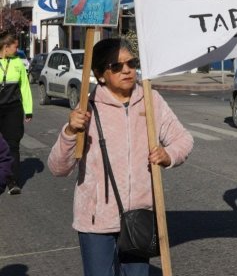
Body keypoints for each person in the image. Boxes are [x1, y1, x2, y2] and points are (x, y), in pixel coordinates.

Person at [48, 38, 193, 276]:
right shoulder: (87, 109)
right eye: (116, 66)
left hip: (140, 215)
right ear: (100, 74)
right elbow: (57, 168)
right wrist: (71, 132)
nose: (126, 70)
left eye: (131, 63)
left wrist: (169, 155)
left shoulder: (150, 99)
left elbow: (184, 139)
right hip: (96, 222)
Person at [0, 30, 33, 195]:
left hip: (13, 109)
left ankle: (13, 181)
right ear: (6, 47)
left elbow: (25, 88)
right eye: (15, 46)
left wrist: (28, 110)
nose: (17, 49)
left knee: (13, 145)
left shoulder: (18, 63)